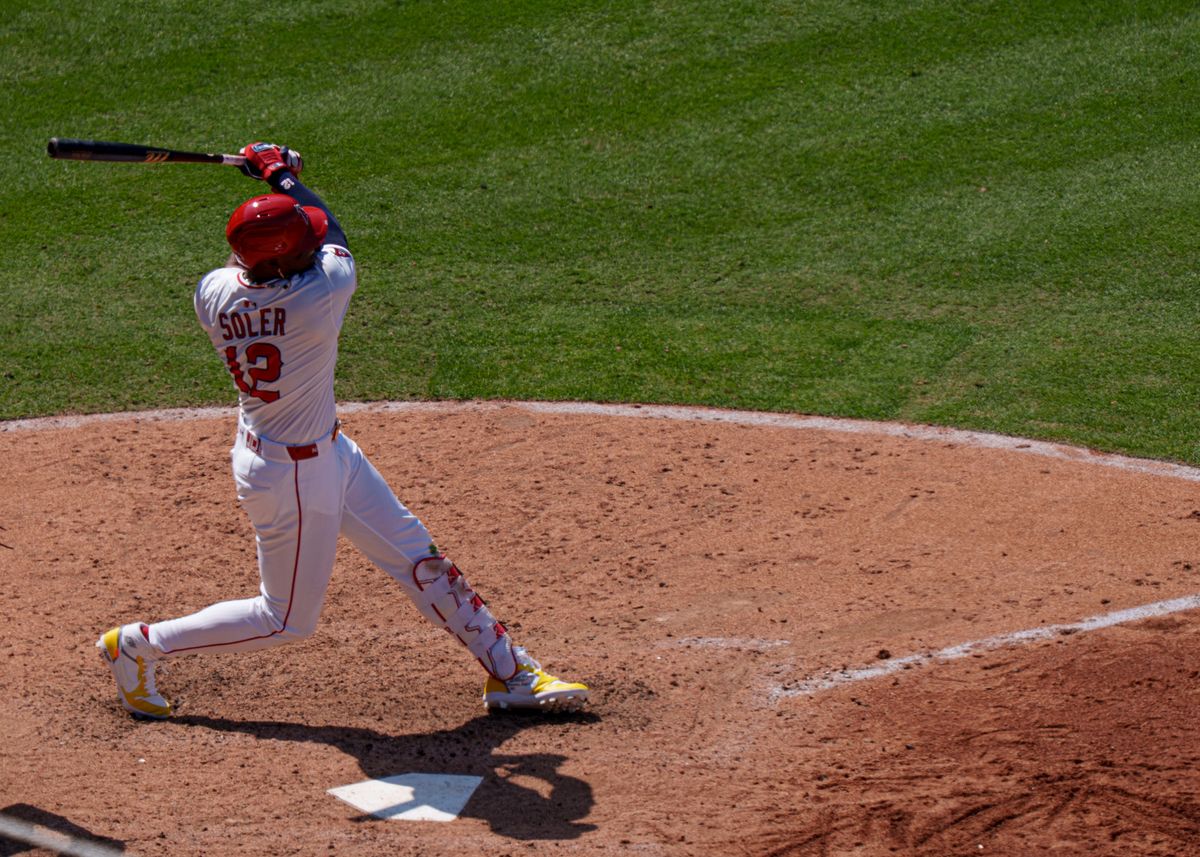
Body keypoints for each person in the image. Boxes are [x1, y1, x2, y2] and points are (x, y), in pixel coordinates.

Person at [96, 142, 589, 719]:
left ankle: (511, 674)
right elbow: (332, 228)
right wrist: (279, 174)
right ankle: (136, 644)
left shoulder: (213, 292)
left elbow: (273, 246)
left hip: (317, 454)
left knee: (419, 558)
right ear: (280, 264)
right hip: (293, 479)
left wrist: (271, 202)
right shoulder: (320, 294)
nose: (312, 246)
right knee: (283, 621)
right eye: (298, 246)